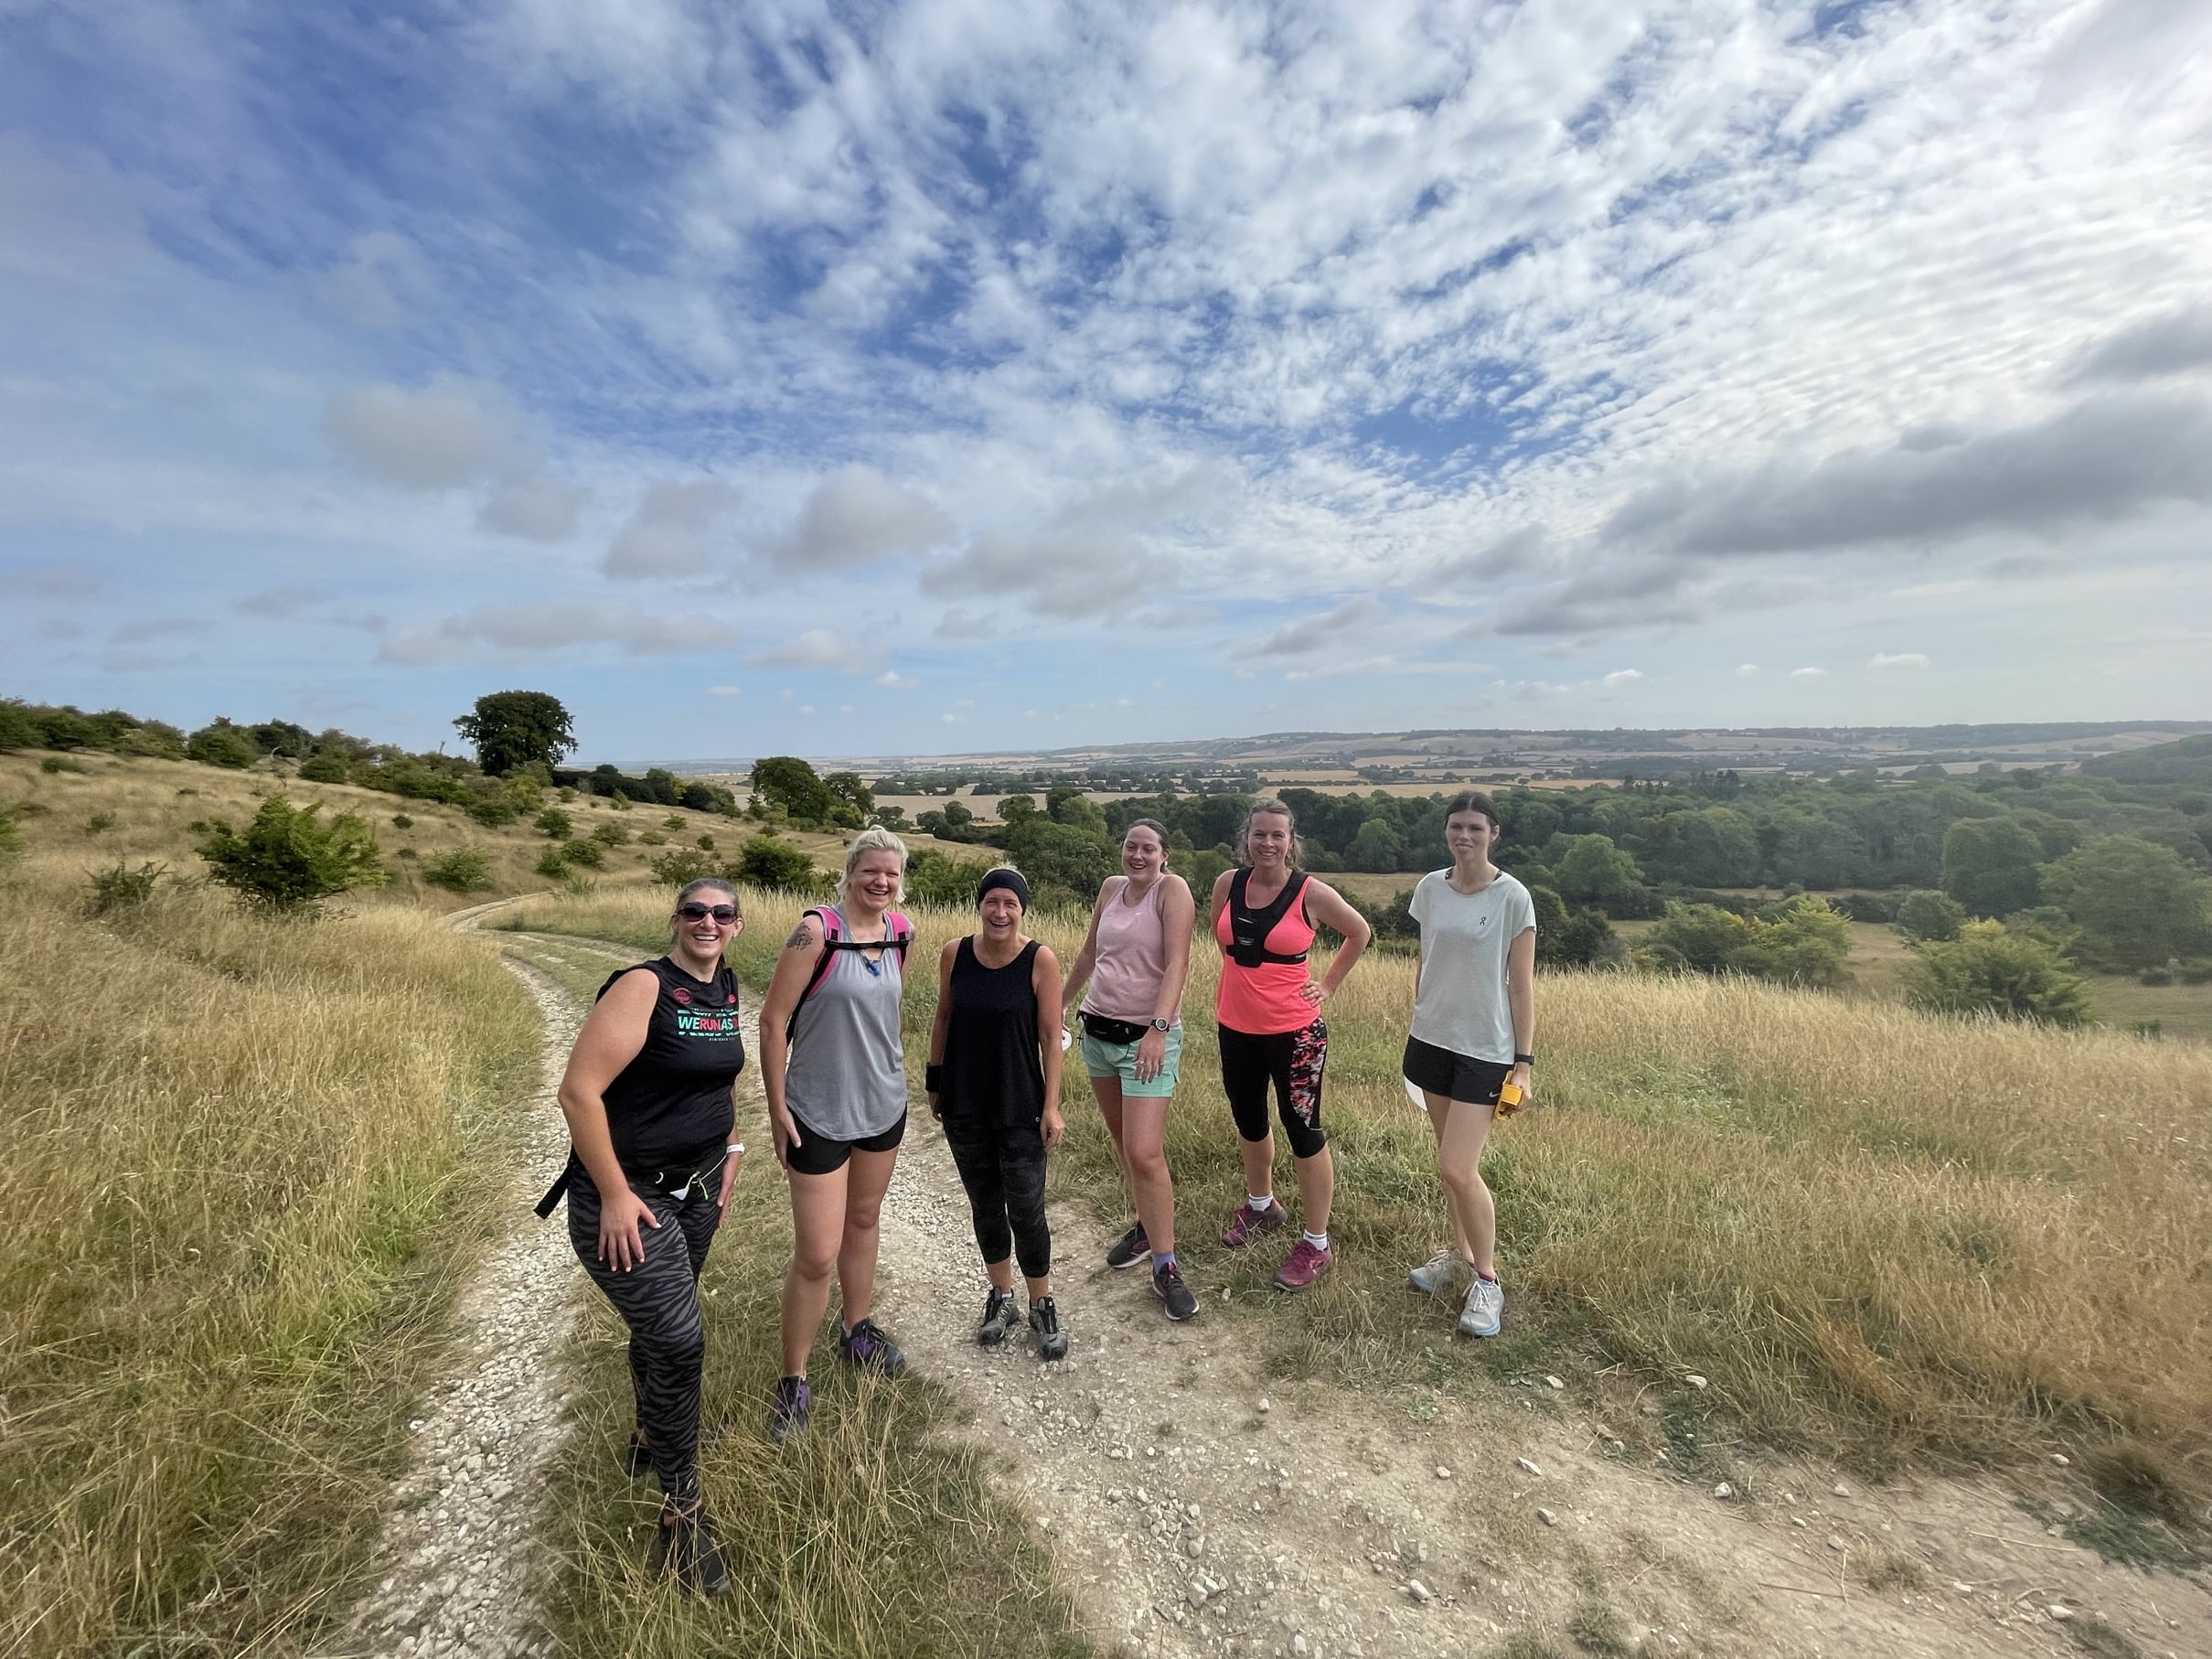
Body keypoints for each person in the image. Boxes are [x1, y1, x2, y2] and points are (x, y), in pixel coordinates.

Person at [545, 876, 748, 1595]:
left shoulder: (724, 991)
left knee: (664, 1330)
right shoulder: (642, 986)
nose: (707, 922)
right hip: (630, 1199)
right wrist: (614, 1193)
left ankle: (646, 1436)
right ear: (675, 920)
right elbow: (579, 1091)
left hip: (693, 1190)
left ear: (737, 927)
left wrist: (729, 1150)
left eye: (721, 914)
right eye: (695, 911)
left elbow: (720, 1080)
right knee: (681, 1339)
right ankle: (683, 1510)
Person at [757, 827, 916, 1442]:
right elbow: (772, 1023)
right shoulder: (816, 931)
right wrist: (777, 1109)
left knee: (865, 1221)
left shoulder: (901, 933)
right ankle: (793, 1380)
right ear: (849, 872)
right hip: (817, 1110)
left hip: (882, 1104)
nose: (881, 882)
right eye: (870, 871)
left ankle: (856, 1330)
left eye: (891, 874)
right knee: (816, 1253)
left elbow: (889, 1012)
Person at [1210, 798, 1372, 1290]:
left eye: (1277, 835)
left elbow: (1359, 932)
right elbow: (1223, 939)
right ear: (1247, 837)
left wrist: (1328, 985)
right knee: (1249, 1119)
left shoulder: (1310, 893)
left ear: (1290, 840)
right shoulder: (1227, 884)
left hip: (1295, 1033)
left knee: (1303, 1130)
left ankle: (1317, 1242)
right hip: (1235, 1024)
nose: (1267, 843)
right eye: (1259, 833)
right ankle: (1262, 1206)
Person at [1402, 791, 1536, 1338]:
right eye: (1456, 826)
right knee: (1445, 1164)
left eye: (1475, 828)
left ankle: (1487, 1281)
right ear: (1446, 832)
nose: (1465, 835)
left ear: (1494, 833)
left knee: (1460, 1168)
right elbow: (1427, 957)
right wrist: (1420, 1009)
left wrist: (1523, 1066)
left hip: (1486, 1050)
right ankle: (1458, 1259)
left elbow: (1521, 985)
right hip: (1431, 1040)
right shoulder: (1430, 888)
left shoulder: (1513, 897)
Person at [925, 867, 1072, 1358]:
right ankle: (1000, 1296)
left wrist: (1051, 1106)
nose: (1000, 912)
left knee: (1027, 1209)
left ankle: (1041, 1301)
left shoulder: (1039, 960)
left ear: (1022, 908)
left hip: (1020, 1103)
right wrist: (934, 1081)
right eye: (992, 902)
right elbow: (944, 1016)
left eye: (1010, 903)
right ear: (980, 905)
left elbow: (1052, 1038)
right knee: (985, 1204)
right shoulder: (955, 954)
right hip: (964, 1099)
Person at [1060, 818, 1200, 1321]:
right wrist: (1056, 1003)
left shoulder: (1172, 891)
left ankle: (1166, 1266)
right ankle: (1144, 1228)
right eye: (1130, 846)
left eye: (1148, 849)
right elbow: (1091, 951)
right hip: (1098, 1033)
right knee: (1124, 1144)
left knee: (1145, 1151)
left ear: (1164, 855)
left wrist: (1159, 1030)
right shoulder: (1111, 888)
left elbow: (1179, 962)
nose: (1137, 856)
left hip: (1145, 1040)